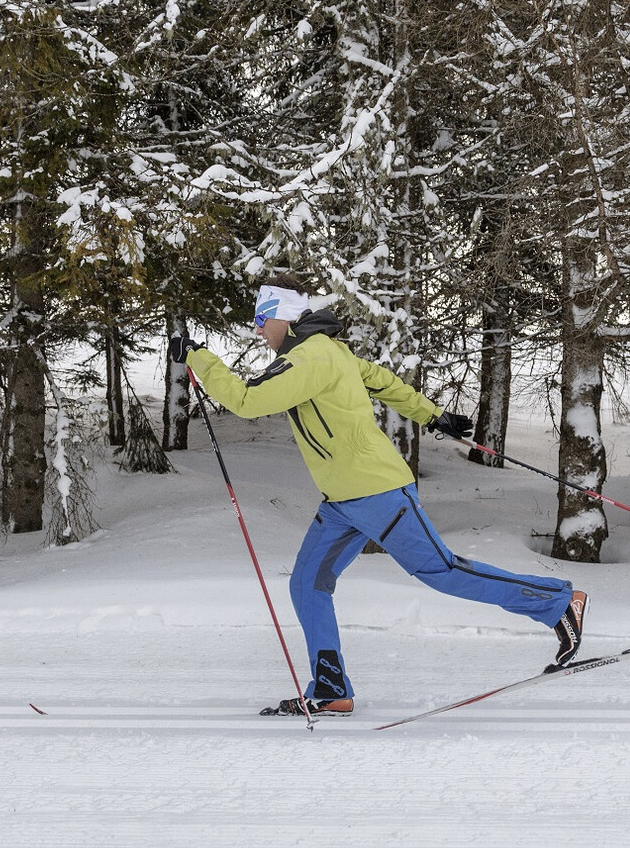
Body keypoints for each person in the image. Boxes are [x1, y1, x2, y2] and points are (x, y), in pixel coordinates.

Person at [170, 274, 587, 718]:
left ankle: (559, 603)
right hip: (341, 502)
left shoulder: (310, 358)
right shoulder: (326, 352)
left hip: (377, 493)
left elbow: (245, 400)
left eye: (261, 319)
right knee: (307, 583)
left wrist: (196, 355)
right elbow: (383, 381)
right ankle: (331, 689)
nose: (257, 330)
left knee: (442, 571)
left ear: (283, 317)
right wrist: (434, 416)